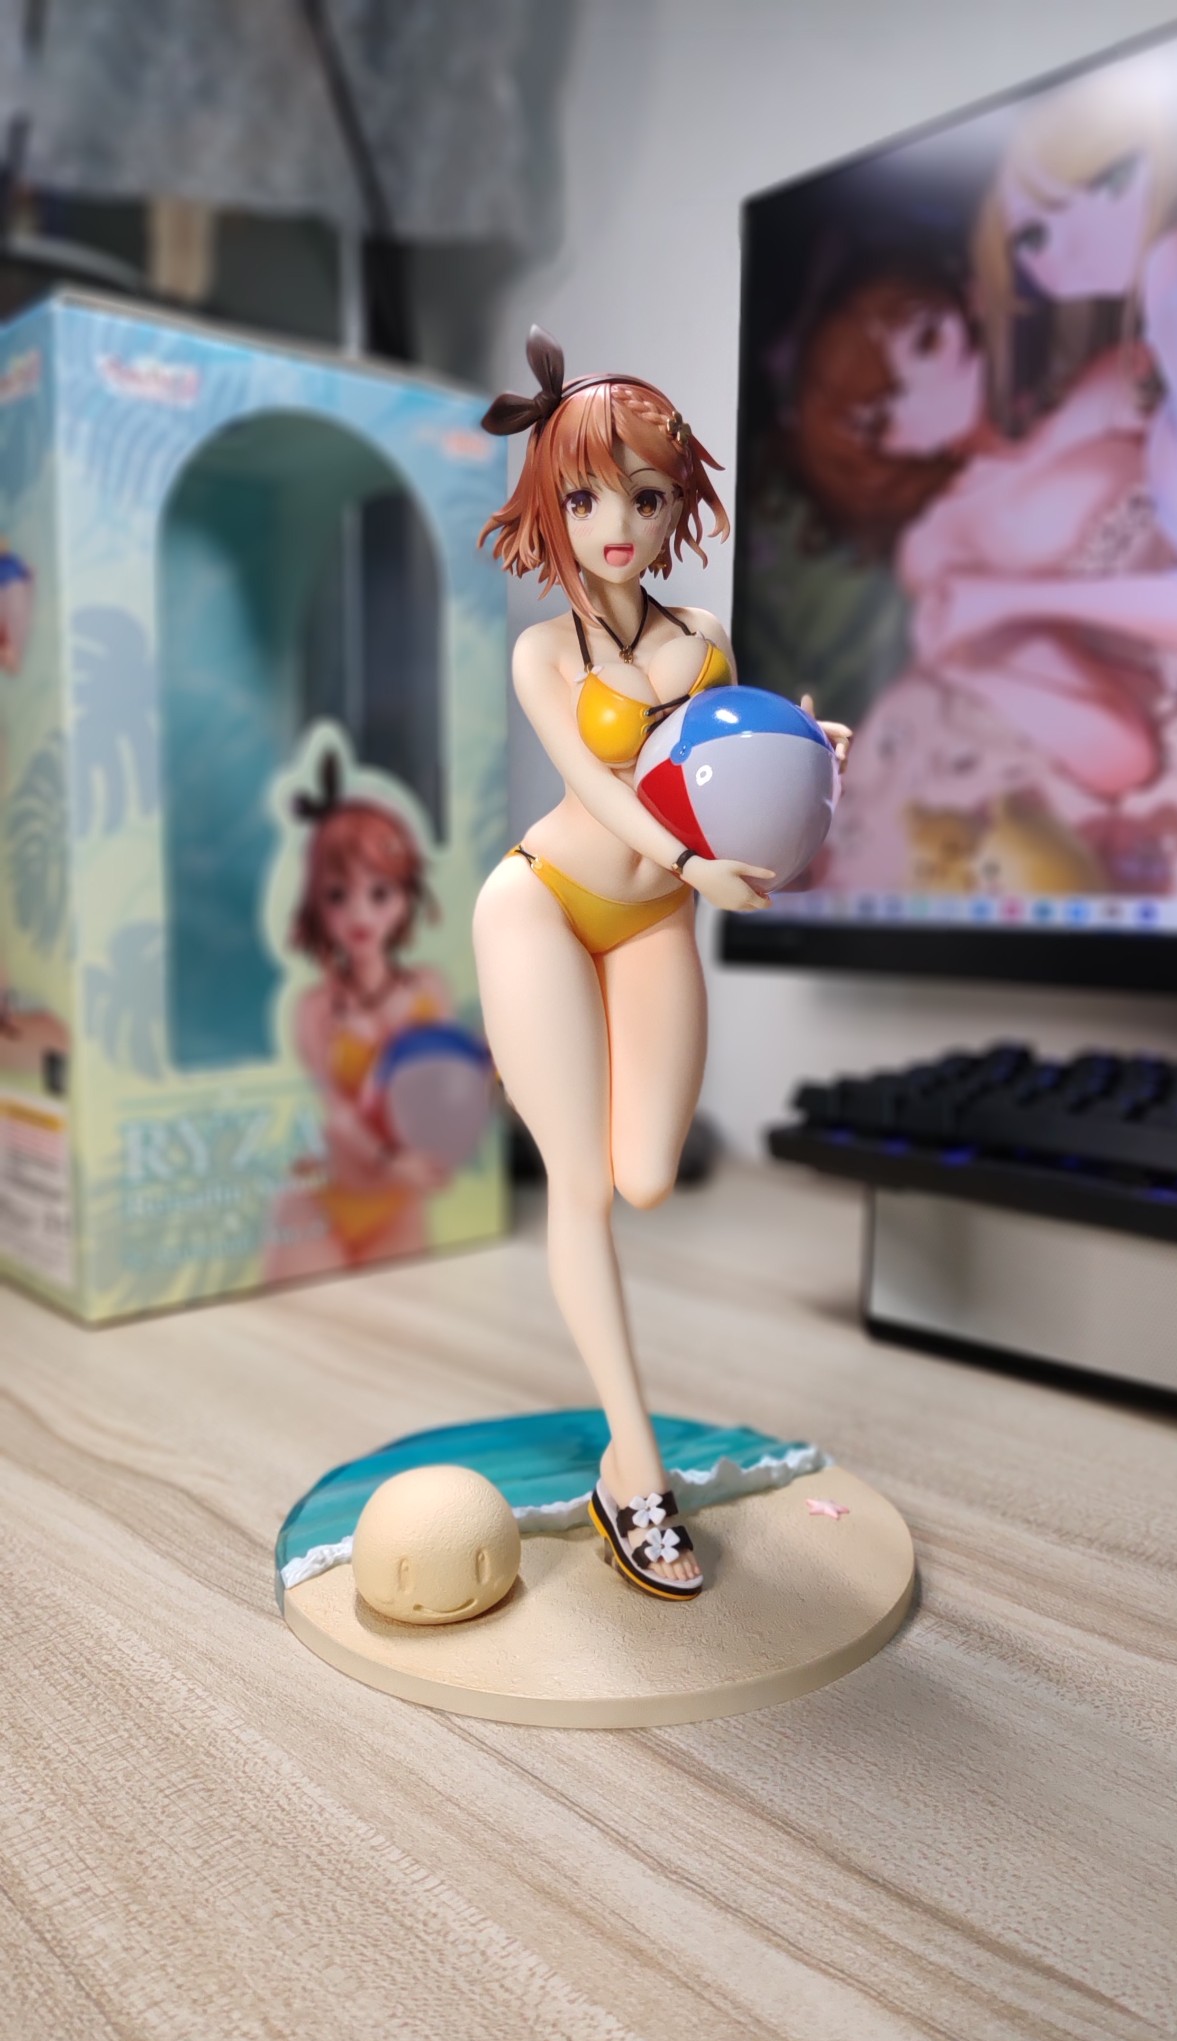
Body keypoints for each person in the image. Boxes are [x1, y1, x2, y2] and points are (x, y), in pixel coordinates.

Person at [473, 326, 849, 1600]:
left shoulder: (707, 631)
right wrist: (688, 860)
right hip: (542, 906)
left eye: (643, 495)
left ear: (679, 498)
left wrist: (805, 750)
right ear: (550, 507)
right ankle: (633, 1474)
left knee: (645, 1178)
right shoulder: (543, 655)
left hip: (652, 928)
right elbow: (604, 788)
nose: (617, 525)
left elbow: (727, 753)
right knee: (580, 1186)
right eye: (585, 499)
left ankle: (630, 1457)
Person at [781, 267, 1177, 894]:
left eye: (925, 338)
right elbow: (1118, 752)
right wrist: (979, 645)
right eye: (883, 409)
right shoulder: (944, 543)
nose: (929, 380)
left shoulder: (1110, 378)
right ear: (883, 446)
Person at [973, 41, 1177, 558]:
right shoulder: (1165, 287)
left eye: (1108, 181)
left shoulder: (1175, 264)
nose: (1072, 244)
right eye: (1033, 238)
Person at [265, 750, 453, 1281]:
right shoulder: (317, 1010)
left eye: (380, 892)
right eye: (337, 896)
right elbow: (338, 1112)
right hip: (323, 1200)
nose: (360, 914)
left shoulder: (428, 991)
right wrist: (393, 1158)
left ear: (406, 895)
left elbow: (443, 1085)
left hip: (401, 1204)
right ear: (316, 906)